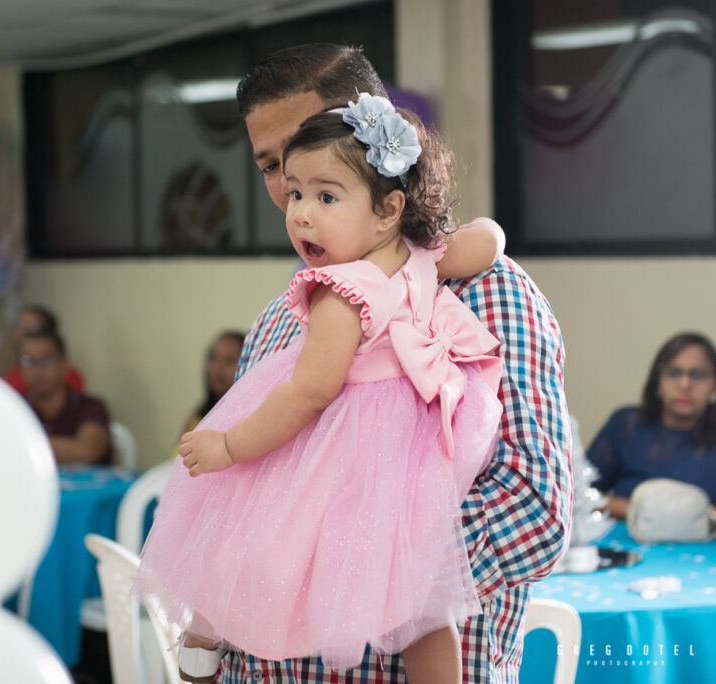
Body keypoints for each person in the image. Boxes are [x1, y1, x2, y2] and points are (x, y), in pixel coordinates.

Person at [211, 44, 571, 682]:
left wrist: (370, 565)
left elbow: (532, 507)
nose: (292, 181)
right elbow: (241, 501)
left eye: (312, 143)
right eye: (273, 166)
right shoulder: (280, 322)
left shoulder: (485, 294)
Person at [137, 93, 505, 683]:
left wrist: (230, 445)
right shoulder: (420, 258)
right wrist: (447, 236)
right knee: (419, 597)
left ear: (387, 210)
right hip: (405, 443)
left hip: (344, 439)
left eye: (326, 197)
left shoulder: (339, 290)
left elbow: (308, 394)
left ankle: (204, 639)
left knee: (249, 514)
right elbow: (487, 238)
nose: (301, 213)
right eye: (296, 193)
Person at [589, 332, 716, 521]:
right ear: (657, 380)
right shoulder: (625, 424)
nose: (685, 384)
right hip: (620, 543)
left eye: (697, 374)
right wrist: (638, 511)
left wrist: (686, 520)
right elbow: (582, 492)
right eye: (674, 372)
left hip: (701, 547)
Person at [20, 329, 111, 465]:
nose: (37, 369)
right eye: (28, 361)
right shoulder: (17, 408)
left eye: (46, 360)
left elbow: (87, 451)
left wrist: (25, 445)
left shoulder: (90, 406)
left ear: (64, 363)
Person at [2, 304, 85, 395]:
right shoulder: (13, 373)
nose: (23, 333)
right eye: (20, 326)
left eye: (33, 327)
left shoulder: (68, 376)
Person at [184, 331, 246, 433]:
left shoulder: (246, 417)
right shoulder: (200, 413)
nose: (218, 368)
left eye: (229, 360)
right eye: (214, 358)